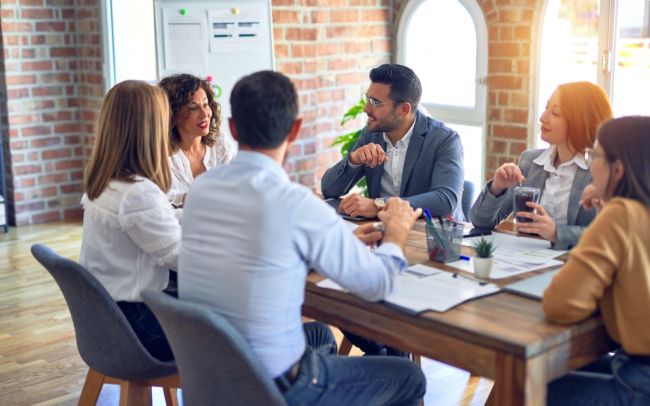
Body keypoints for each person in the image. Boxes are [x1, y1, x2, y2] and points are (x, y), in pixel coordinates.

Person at [179, 71, 426, 406]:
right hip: (276, 386)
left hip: (210, 375)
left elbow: (259, 253)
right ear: (294, 130)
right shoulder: (297, 204)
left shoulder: (202, 190)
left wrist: (341, 243)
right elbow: (378, 285)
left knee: (320, 336)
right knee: (408, 377)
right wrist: (395, 233)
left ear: (234, 128)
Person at [543, 116, 650, 404]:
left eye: (595, 155)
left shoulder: (622, 214)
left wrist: (609, 211)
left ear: (618, 169)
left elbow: (561, 304)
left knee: (526, 388)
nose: (590, 164)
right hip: (636, 368)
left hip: (640, 381)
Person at [80, 80, 180, 361]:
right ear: (150, 130)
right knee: (237, 328)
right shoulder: (138, 193)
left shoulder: (106, 182)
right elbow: (181, 258)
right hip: (141, 325)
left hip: (111, 316)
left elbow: (158, 220)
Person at [470, 81, 613, 250]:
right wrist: (497, 188)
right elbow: (480, 221)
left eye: (555, 113)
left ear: (580, 121)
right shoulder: (531, 161)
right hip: (527, 262)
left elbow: (612, 237)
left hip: (578, 266)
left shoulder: (604, 172)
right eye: (546, 108)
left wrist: (557, 232)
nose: (543, 117)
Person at [321, 63, 464, 220]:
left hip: (435, 237)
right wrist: (353, 160)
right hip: (382, 233)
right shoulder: (371, 134)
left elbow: (445, 199)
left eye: (375, 103)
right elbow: (329, 190)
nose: (366, 109)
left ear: (403, 110)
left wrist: (379, 205)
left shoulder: (444, 139)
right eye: (367, 99)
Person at [158, 73, 235, 208]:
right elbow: (155, 198)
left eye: (205, 104)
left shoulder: (220, 144)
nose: (205, 113)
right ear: (172, 114)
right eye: (193, 108)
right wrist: (188, 198)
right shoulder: (161, 154)